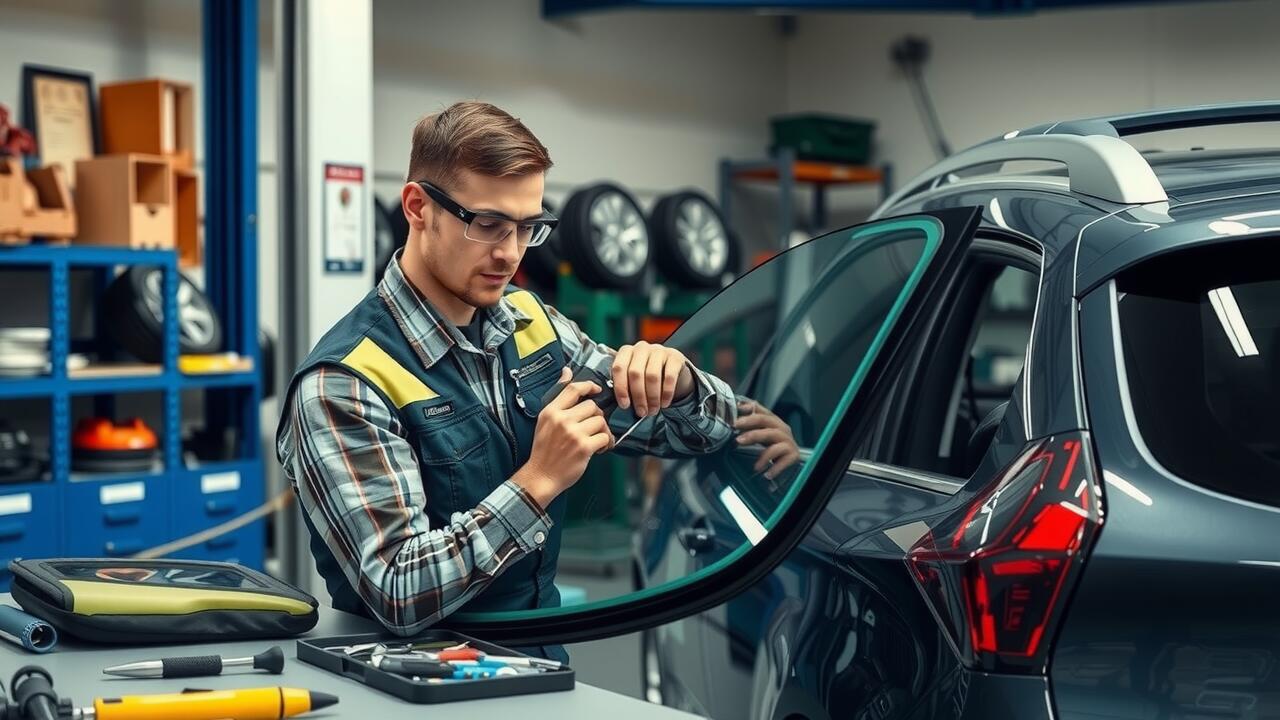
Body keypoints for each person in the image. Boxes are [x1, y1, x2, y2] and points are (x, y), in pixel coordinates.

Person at [275, 101, 739, 661]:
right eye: (489, 225)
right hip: (414, 689)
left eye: (529, 228)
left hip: (538, 664)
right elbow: (396, 592)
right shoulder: (345, 381)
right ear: (419, 208)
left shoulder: (532, 324)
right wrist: (537, 481)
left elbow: (698, 433)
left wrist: (681, 383)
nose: (510, 253)